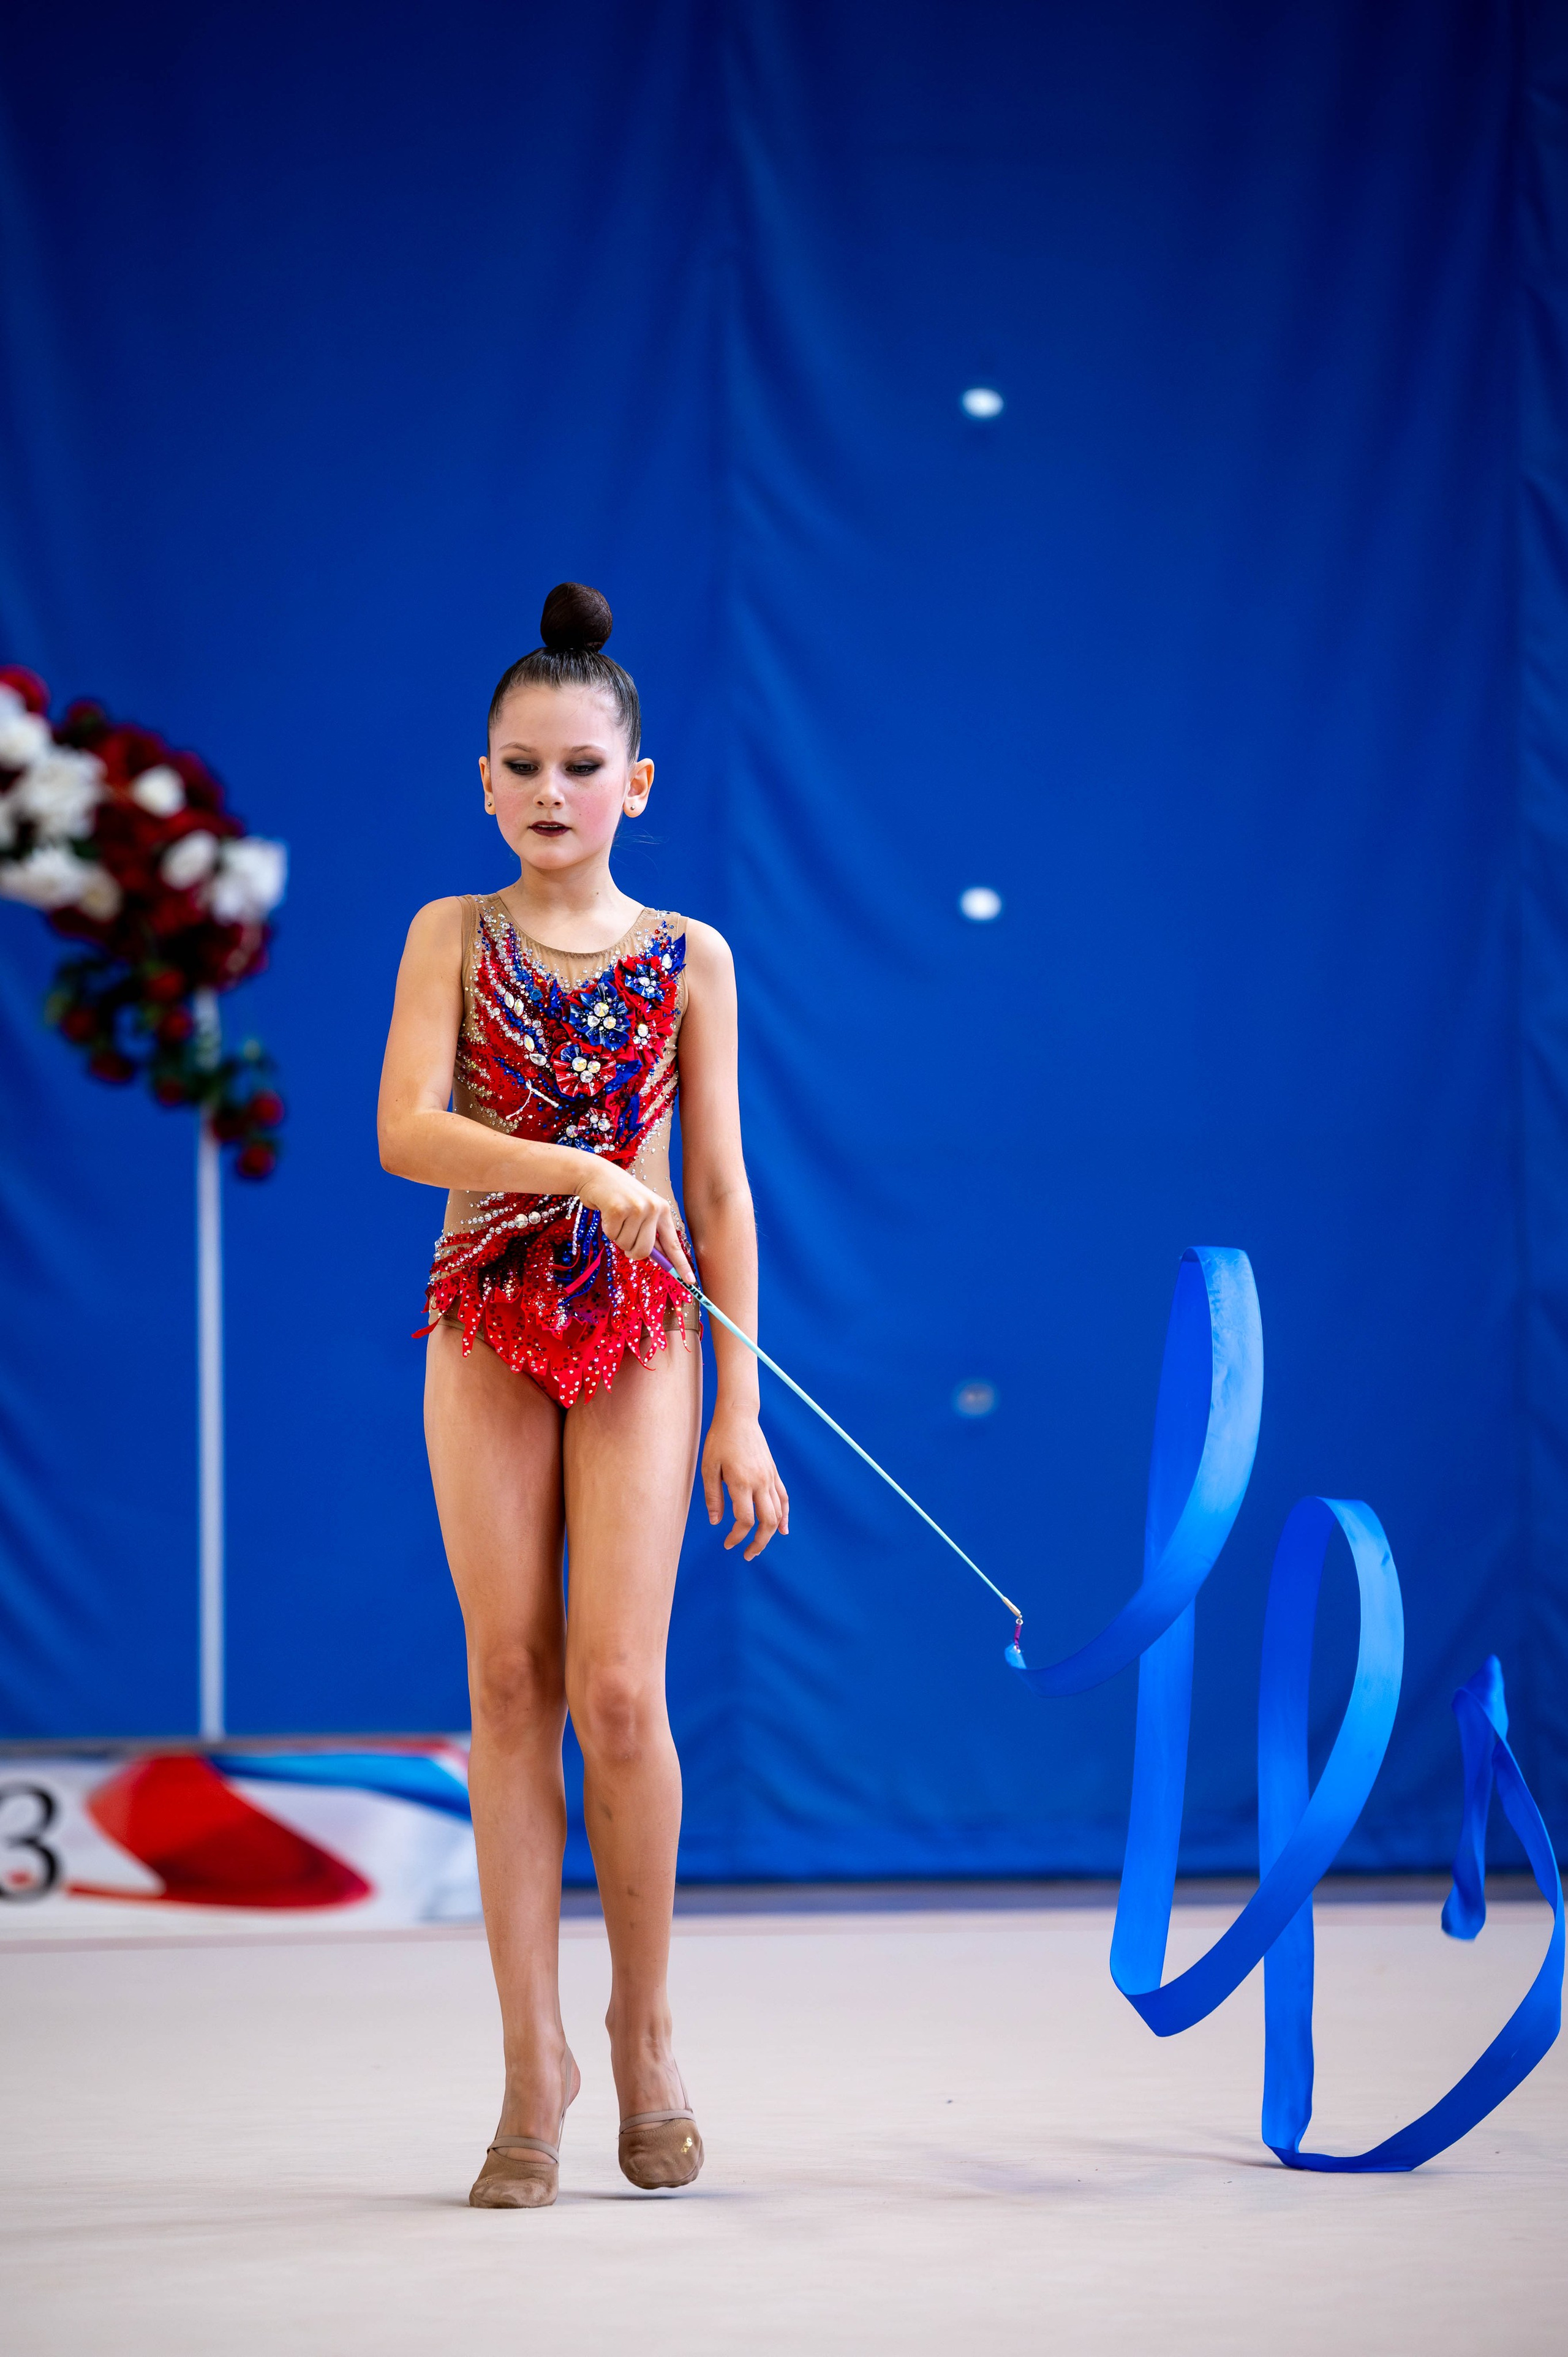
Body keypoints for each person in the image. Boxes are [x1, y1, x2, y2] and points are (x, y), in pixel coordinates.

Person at [377, 583, 788, 2208]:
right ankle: (529, 2060)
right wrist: (573, 1167)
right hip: (486, 1314)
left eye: (582, 766)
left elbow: (723, 1190)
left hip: (642, 1333)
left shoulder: (691, 957)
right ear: (484, 782)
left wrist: (743, 1409)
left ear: (639, 781)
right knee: (508, 1676)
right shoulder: (450, 934)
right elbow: (407, 1131)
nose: (553, 794)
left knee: (619, 1691)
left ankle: (645, 2032)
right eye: (523, 767)